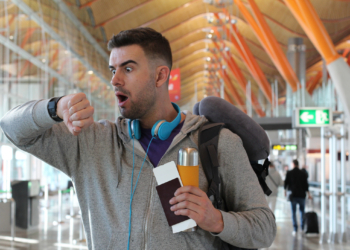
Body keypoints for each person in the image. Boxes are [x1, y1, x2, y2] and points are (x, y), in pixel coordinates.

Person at [0, 27, 276, 249]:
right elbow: (12, 128)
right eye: (113, 70)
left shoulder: (216, 143)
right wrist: (54, 108)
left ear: (160, 76)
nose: (115, 80)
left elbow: (264, 229)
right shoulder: (91, 142)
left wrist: (216, 220)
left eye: (127, 69)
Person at [284, 159, 312, 235]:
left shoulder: (289, 173)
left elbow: (286, 183)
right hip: (302, 195)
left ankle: (295, 229)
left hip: (293, 195)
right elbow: (306, 185)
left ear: (293, 164)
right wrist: (309, 194)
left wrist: (285, 192)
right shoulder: (303, 173)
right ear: (298, 164)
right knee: (302, 211)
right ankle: (302, 228)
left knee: (293, 212)